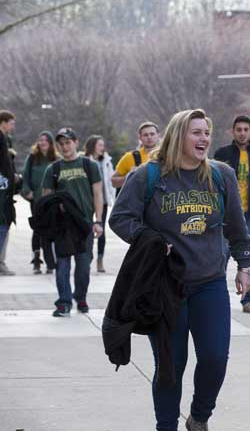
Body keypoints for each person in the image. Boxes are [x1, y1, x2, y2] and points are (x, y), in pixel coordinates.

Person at [109, 108, 250, 431]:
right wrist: (150, 240)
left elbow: (237, 228)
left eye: (206, 132)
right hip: (165, 287)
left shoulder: (220, 175)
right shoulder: (147, 176)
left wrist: (245, 265)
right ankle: (166, 426)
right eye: (196, 132)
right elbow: (120, 218)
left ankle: (199, 417)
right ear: (177, 136)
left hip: (210, 282)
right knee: (171, 364)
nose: (204, 138)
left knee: (215, 359)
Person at [41, 128, 104, 316]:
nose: (64, 146)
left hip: (84, 224)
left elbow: (98, 194)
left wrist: (98, 221)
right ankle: (64, 302)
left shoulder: (89, 165)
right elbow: (46, 199)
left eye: (68, 142)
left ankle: (81, 297)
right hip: (62, 227)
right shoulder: (53, 169)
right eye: (61, 143)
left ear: (76, 143)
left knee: (83, 266)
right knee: (62, 265)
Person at [213, 114, 250, 313]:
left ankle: (248, 299)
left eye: (245, 129)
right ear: (233, 131)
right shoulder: (222, 154)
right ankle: (216, 296)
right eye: (238, 129)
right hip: (226, 215)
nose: (242, 133)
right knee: (222, 255)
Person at [21, 131, 59, 274]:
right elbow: (25, 176)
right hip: (36, 200)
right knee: (38, 229)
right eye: (40, 140)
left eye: (45, 140)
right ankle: (36, 261)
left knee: (50, 230)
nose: (42, 142)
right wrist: (27, 191)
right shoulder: (32, 158)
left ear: (50, 143)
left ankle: (51, 262)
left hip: (51, 201)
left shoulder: (56, 159)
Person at [84, 135, 116, 273]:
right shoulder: (84, 160)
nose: (102, 148)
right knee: (86, 229)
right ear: (93, 146)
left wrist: (112, 197)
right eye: (99, 145)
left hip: (101, 200)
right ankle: (87, 256)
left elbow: (110, 180)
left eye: (103, 145)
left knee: (101, 230)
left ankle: (100, 260)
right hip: (87, 200)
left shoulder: (107, 161)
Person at [111, 121, 160, 190]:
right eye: (145, 135)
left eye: (152, 134)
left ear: (158, 135)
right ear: (140, 138)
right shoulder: (130, 157)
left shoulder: (167, 155)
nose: (149, 137)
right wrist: (131, 177)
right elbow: (113, 182)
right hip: (138, 200)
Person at [0, 110, 18, 276]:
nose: (13, 126)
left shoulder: (6, 139)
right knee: (3, 224)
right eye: (11, 123)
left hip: (6, 189)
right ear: (3, 122)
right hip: (2, 192)